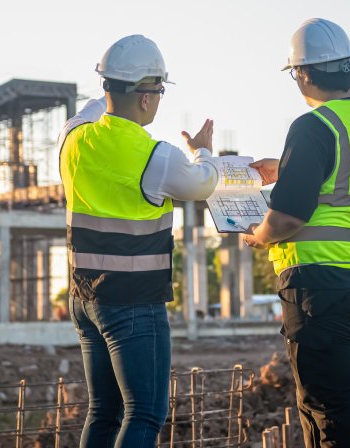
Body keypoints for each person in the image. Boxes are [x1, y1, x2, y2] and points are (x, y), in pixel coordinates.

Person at [58, 34, 219, 448]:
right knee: (145, 413)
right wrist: (203, 151)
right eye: (160, 90)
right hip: (132, 304)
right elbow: (203, 183)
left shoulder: (73, 138)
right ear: (147, 98)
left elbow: (96, 107)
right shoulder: (157, 157)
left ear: (107, 86)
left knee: (102, 412)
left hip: (85, 298)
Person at [243, 18, 350, 448]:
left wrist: (259, 234)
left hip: (318, 287)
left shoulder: (312, 126)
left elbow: (288, 216)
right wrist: (288, 167)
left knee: (330, 411)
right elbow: (343, 183)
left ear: (303, 73)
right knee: (322, 403)